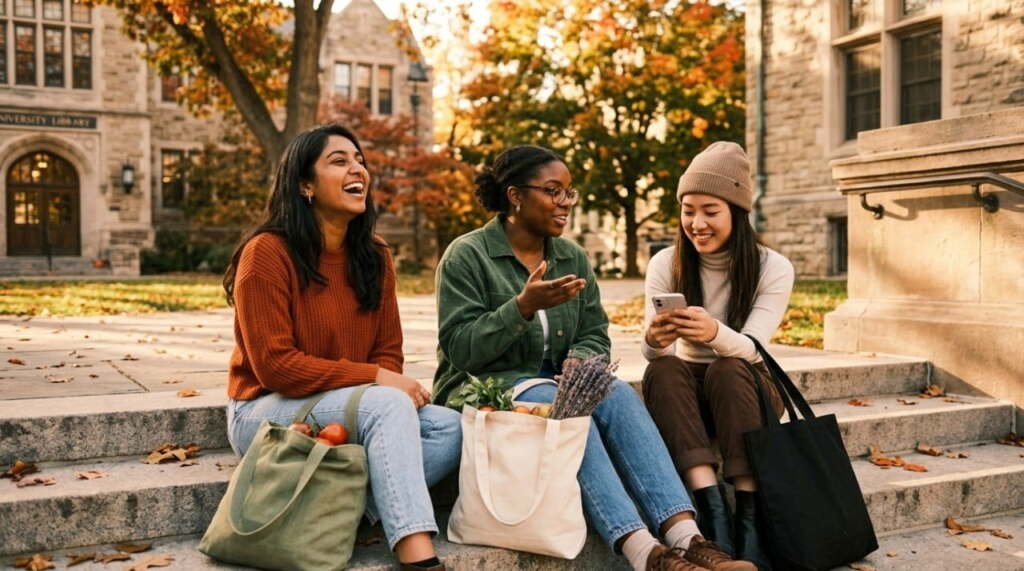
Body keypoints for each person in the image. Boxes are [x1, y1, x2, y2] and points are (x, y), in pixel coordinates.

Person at [433, 144, 755, 571]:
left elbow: (593, 334)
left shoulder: (571, 256)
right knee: (567, 403)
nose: (565, 203)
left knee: (615, 392)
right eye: (553, 191)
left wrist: (581, 364)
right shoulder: (468, 255)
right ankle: (645, 552)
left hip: (555, 383)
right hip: (485, 388)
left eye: (569, 192)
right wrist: (521, 308)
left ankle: (688, 537)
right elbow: (461, 350)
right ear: (515, 196)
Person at [222, 124, 461, 571]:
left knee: (450, 427)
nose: (358, 169)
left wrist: (381, 377)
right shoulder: (267, 253)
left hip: (346, 406)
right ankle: (417, 553)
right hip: (264, 409)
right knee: (389, 407)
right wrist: (374, 379)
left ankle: (335, 507)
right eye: (339, 161)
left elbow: (388, 350)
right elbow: (276, 367)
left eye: (360, 160)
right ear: (305, 185)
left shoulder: (375, 254)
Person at [641, 142, 795, 569]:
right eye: (688, 210)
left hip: (748, 388)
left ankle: (747, 514)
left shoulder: (772, 267)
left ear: (737, 212)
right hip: (687, 395)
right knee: (664, 368)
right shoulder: (666, 263)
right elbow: (651, 354)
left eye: (710, 210)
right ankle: (712, 512)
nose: (696, 223)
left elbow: (754, 347)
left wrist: (712, 331)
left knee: (728, 367)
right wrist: (655, 337)